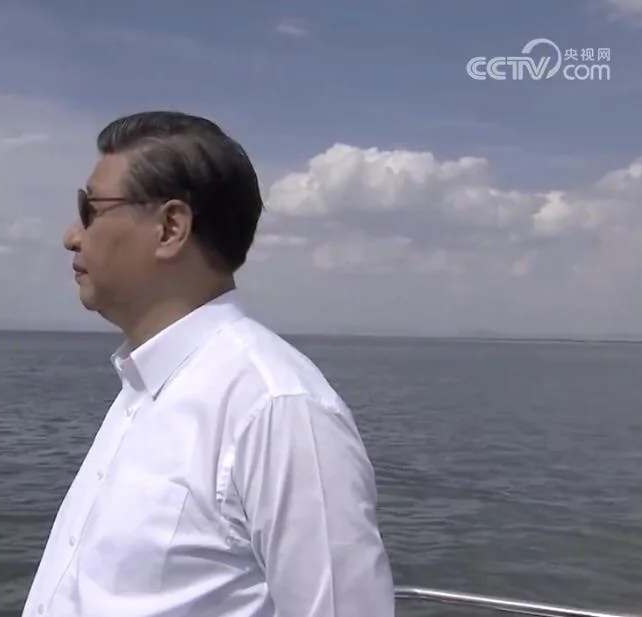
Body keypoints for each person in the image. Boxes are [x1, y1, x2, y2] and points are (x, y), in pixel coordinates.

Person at [22, 111, 394, 617]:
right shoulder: (144, 387)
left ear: (170, 228)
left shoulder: (275, 407)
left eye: (90, 210)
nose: (72, 235)